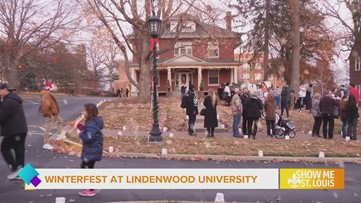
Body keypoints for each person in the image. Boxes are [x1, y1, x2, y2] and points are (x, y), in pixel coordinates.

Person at [0, 83, 28, 180]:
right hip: (21, 129)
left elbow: (2, 116)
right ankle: (25, 174)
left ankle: (16, 168)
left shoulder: (8, 101)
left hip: (13, 130)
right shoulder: (14, 99)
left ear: (4, 90)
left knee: (4, 148)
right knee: (19, 150)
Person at [76, 103, 104, 197]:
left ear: (89, 112)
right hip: (92, 150)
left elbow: (89, 137)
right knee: (87, 167)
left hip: (91, 150)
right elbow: (89, 131)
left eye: (84, 111)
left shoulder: (91, 123)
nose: (82, 112)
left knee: (86, 168)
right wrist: (80, 127)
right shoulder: (92, 122)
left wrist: (80, 134)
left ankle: (91, 189)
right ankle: (91, 187)